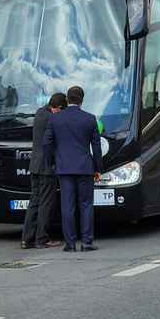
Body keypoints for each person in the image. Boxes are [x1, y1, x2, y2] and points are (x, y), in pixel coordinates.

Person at [43, 85, 103, 252]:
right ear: (82, 101)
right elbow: (96, 147)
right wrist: (98, 169)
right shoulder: (90, 119)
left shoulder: (55, 119)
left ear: (67, 100)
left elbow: (46, 143)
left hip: (64, 168)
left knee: (67, 206)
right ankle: (86, 242)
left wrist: (52, 163)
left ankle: (69, 244)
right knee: (86, 205)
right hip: (85, 168)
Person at [22, 92, 67, 249]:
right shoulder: (53, 119)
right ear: (58, 108)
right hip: (47, 167)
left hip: (34, 165)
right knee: (46, 203)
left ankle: (26, 239)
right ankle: (42, 239)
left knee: (34, 201)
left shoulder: (40, 113)